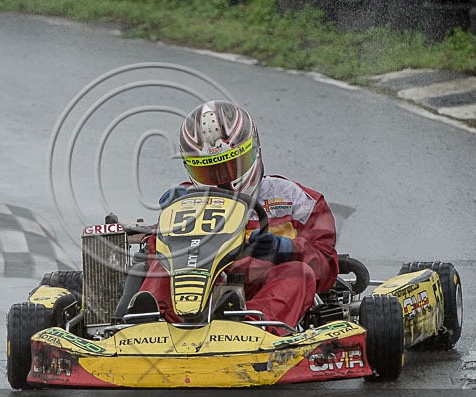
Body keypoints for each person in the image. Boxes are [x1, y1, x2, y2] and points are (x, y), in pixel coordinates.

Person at [130, 100, 338, 329]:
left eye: (232, 167)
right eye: (208, 170)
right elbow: (154, 254)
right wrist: (174, 227)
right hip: (197, 289)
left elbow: (325, 266)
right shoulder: (184, 202)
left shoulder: (296, 202)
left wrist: (285, 249)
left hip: (263, 289)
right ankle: (148, 325)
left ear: (253, 150)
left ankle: (250, 326)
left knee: (299, 273)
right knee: (162, 266)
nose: (222, 180)